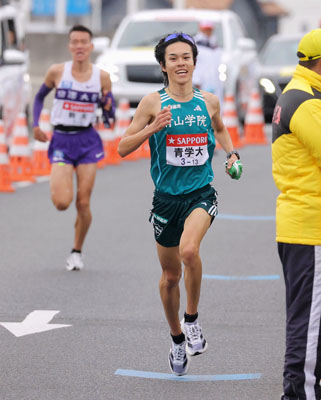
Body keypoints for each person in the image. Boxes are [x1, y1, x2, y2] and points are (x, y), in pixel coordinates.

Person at [117, 32, 242, 376]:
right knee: (170, 276)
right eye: (173, 58)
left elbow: (220, 129)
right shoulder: (152, 103)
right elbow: (122, 147)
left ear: (194, 62)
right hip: (165, 200)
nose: (181, 63)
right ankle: (175, 340)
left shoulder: (209, 101)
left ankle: (192, 320)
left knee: (190, 251)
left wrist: (231, 155)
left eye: (186, 56)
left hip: (201, 194)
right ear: (163, 65)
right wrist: (152, 128)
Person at [33, 25, 115, 271]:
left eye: (84, 42)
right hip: (61, 139)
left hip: (87, 140)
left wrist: (107, 104)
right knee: (62, 202)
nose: (79, 46)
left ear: (90, 46)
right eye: (75, 42)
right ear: (70, 46)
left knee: (83, 202)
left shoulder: (101, 77)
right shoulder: (57, 72)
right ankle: (75, 241)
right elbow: (38, 98)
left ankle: (76, 251)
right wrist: (35, 124)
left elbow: (109, 115)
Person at [272, 28, 321, 400]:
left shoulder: (304, 93)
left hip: (305, 225)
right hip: (310, 227)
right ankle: (297, 395)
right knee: (308, 328)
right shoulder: (304, 102)